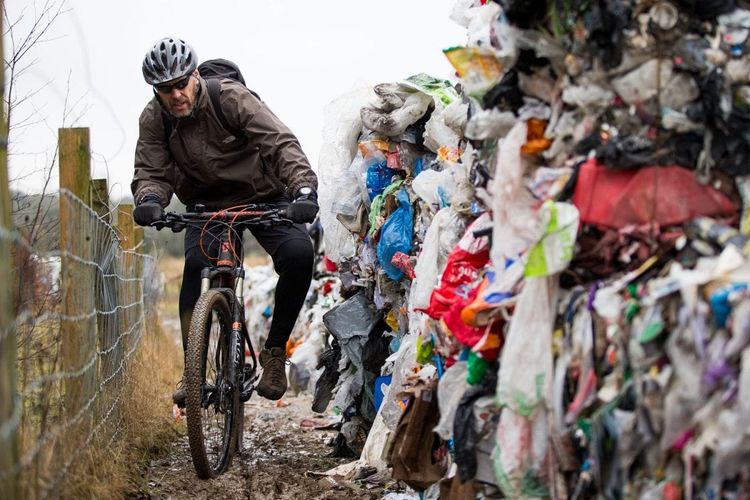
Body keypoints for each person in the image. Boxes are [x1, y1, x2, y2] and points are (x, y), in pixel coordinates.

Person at [131, 37, 319, 403]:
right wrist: (150, 199)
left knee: (298, 255)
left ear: (195, 75)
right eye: (165, 89)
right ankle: (193, 371)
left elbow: (280, 142)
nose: (175, 95)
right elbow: (151, 169)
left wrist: (303, 191)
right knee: (197, 266)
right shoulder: (154, 118)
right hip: (207, 205)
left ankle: (275, 352)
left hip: (264, 195)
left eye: (180, 84)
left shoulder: (230, 98)